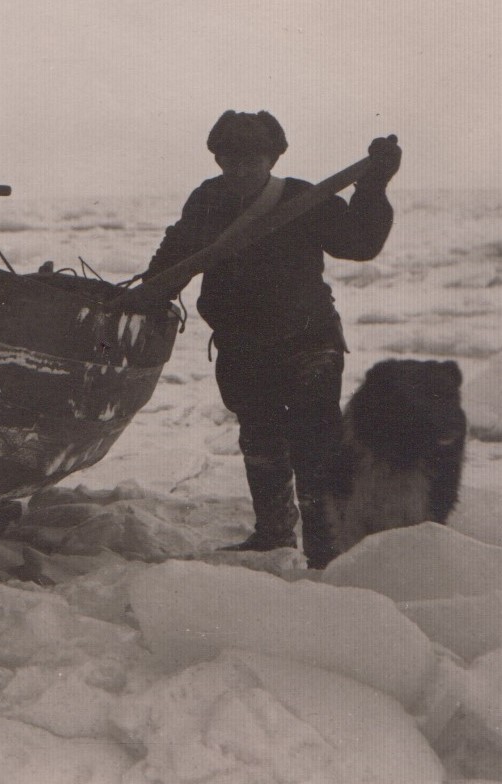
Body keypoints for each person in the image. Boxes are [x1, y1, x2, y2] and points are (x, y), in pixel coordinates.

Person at [126, 110, 400, 569]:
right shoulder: (208, 200)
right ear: (216, 158)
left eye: (251, 159)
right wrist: (147, 296)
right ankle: (272, 536)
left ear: (273, 157)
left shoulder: (303, 198)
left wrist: (372, 187)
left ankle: (325, 548)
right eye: (228, 158)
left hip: (308, 341)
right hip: (242, 346)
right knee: (260, 441)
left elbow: (359, 243)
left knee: (314, 442)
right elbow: (177, 251)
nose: (239, 169)